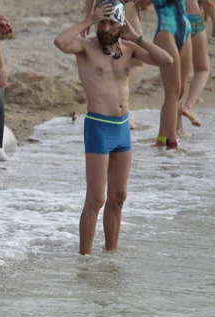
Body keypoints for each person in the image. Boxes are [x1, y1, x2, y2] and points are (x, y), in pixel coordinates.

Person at [53, 1, 173, 255]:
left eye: (112, 23)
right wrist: (88, 21)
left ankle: (111, 256)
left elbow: (167, 60)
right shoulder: (86, 47)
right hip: (99, 127)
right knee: (96, 199)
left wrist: (138, 37)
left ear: (121, 25)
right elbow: (60, 43)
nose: (106, 28)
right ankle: (84, 259)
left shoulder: (129, 49)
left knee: (119, 197)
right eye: (102, 23)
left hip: (122, 128)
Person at [137, 0, 192, 149]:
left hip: (185, 28)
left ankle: (161, 139)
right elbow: (142, 4)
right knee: (172, 92)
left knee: (180, 91)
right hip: (166, 32)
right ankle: (172, 143)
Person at [85, 0, 146, 130]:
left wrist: (88, 16)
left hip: (107, 5)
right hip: (121, 6)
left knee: (120, 55)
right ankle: (115, 103)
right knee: (126, 58)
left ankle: (118, 106)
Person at [179, 0, 215, 129]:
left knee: (178, 77)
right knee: (202, 68)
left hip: (171, 22)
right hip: (192, 20)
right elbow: (207, 2)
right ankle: (188, 106)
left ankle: (177, 128)